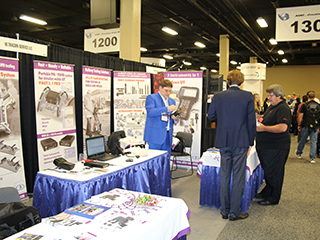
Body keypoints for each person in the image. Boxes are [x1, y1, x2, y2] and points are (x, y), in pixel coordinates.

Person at [208, 70, 256, 221]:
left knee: (224, 175)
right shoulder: (247, 96)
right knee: (238, 177)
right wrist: (250, 142)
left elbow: (211, 116)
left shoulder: (218, 96)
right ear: (241, 82)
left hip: (223, 141)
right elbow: (251, 121)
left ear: (227, 81)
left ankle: (224, 210)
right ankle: (235, 213)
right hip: (241, 141)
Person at [255, 84, 291, 205]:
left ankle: (273, 197)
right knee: (269, 171)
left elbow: (282, 127)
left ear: (279, 96)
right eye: (268, 95)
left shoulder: (283, 108)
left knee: (274, 172)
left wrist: (264, 128)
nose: (268, 98)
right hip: (267, 146)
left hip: (276, 147)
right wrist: (259, 117)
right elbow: (267, 119)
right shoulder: (273, 107)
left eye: (271, 95)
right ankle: (267, 191)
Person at [143, 79, 179, 155]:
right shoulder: (151, 98)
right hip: (155, 136)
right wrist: (167, 109)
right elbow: (151, 112)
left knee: (165, 162)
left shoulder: (172, 101)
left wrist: (175, 119)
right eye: (166, 90)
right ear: (160, 88)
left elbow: (173, 118)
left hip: (168, 136)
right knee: (154, 161)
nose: (168, 93)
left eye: (170, 91)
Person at [296, 91, 320, 164]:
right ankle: (312, 157)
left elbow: (301, 116)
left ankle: (299, 152)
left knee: (303, 139)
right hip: (316, 125)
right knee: (314, 141)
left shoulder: (305, 105)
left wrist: (299, 125)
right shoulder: (318, 106)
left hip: (306, 125)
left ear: (308, 97)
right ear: (314, 97)